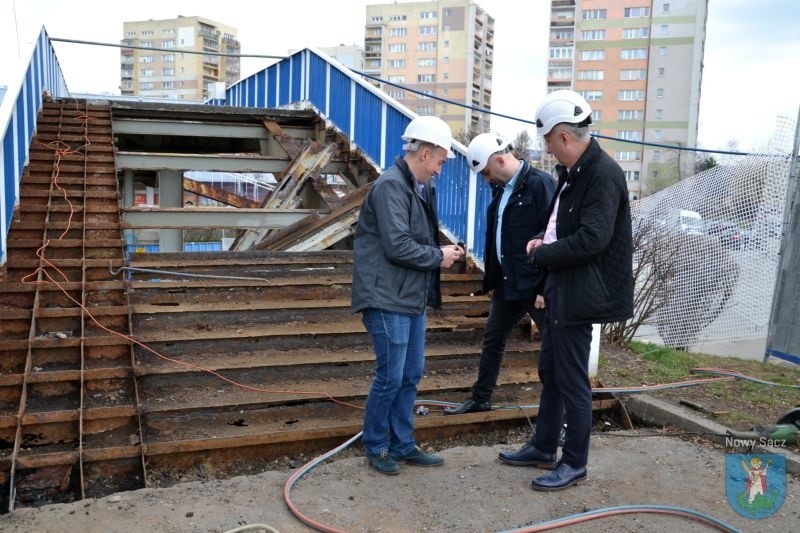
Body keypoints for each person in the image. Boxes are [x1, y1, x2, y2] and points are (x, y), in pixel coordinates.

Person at [499, 90, 633, 491]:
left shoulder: (602, 174)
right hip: (562, 285)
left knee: (573, 381)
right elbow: (564, 226)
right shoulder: (575, 173)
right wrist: (544, 240)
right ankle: (543, 446)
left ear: (562, 137)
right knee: (552, 371)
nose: (548, 151)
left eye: (547, 142)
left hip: (581, 292)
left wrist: (544, 255)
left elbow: (594, 238)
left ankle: (574, 463)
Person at [351, 115, 465, 475]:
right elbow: (398, 245)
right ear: (426, 153)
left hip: (408, 296)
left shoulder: (417, 187)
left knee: (411, 373)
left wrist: (439, 252)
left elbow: (414, 238)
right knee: (391, 375)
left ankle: (402, 444)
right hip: (385, 297)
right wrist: (438, 256)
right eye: (442, 161)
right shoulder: (390, 187)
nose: (441, 170)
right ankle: (377, 445)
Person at [443, 133, 555, 415]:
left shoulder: (540, 185)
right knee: (493, 339)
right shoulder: (501, 189)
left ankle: (557, 418)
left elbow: (555, 235)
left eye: (486, 172)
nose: (485, 180)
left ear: (501, 160)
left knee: (554, 351)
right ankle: (481, 399)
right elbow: (499, 236)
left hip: (535, 285)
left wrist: (546, 286)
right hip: (508, 284)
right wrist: (493, 278)